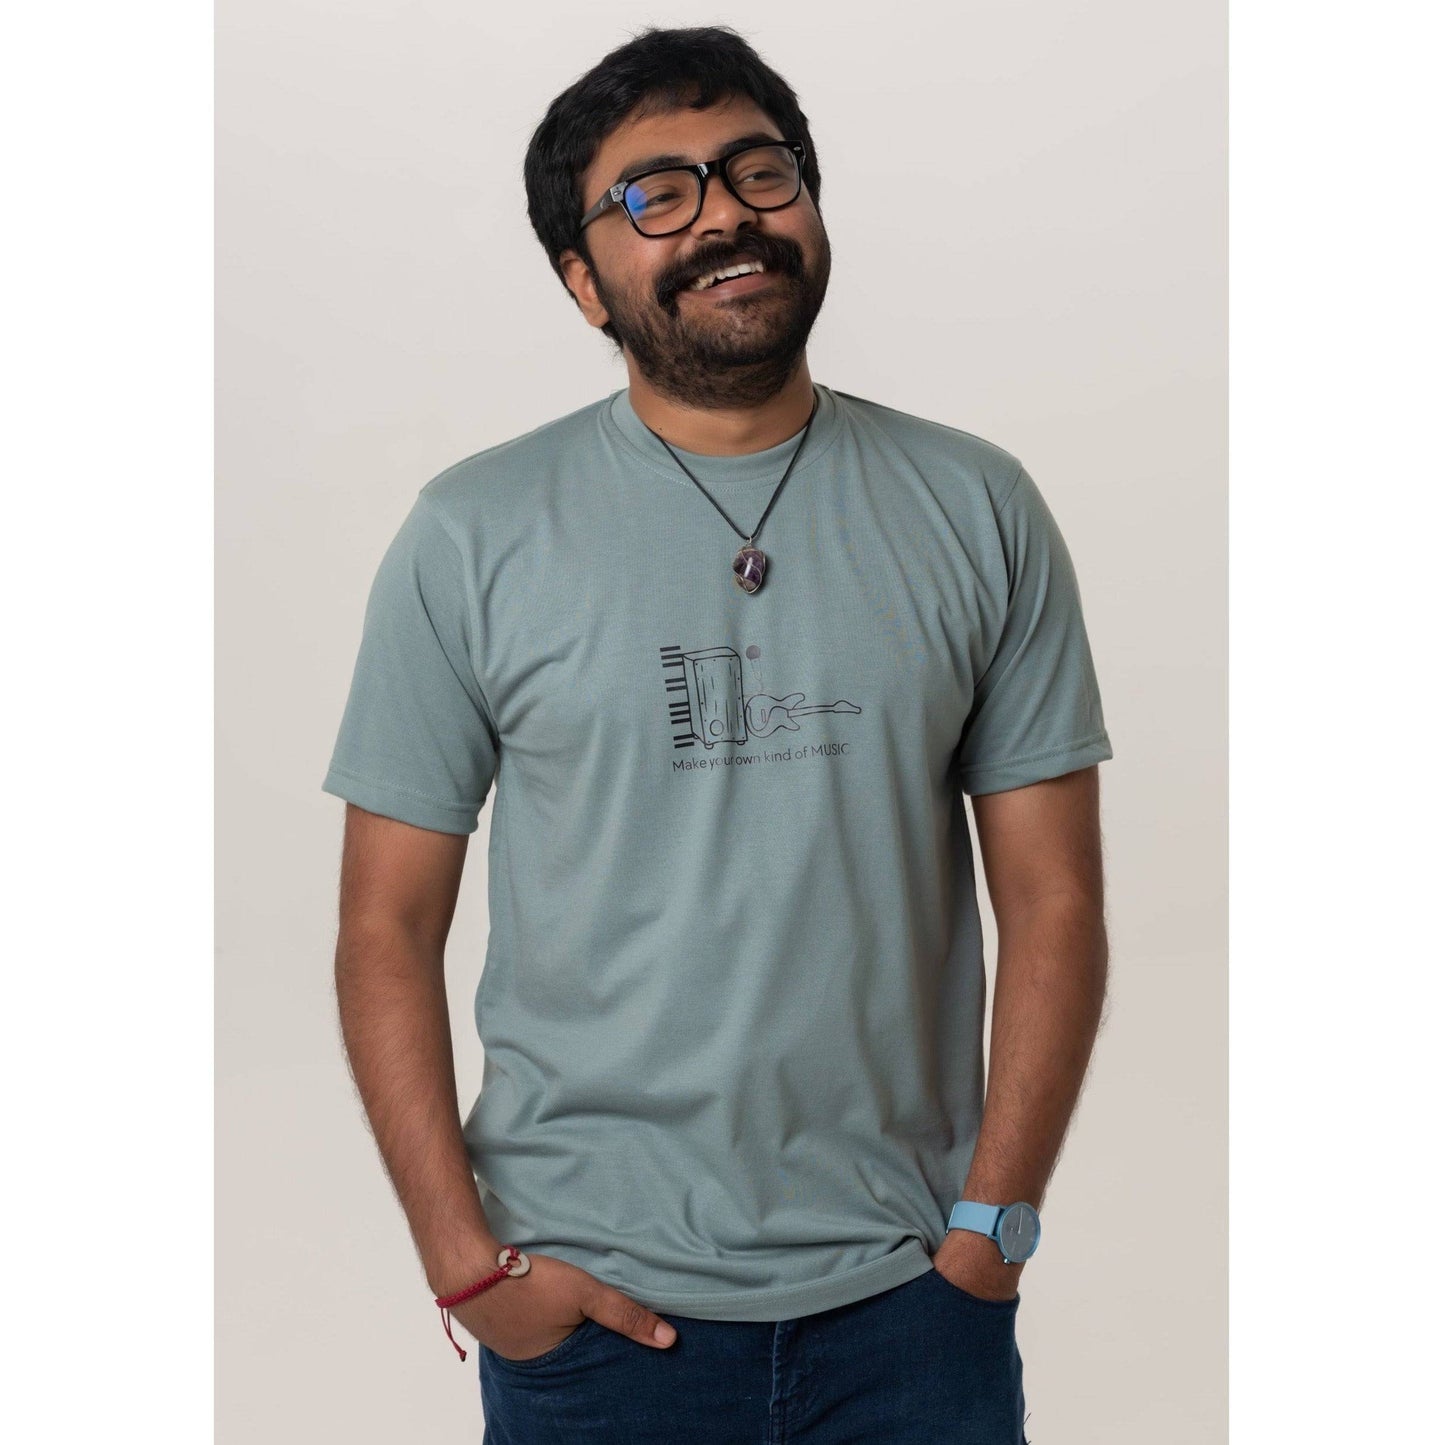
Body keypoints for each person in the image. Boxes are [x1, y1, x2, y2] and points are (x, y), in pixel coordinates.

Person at [322, 24, 1112, 1444]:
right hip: (595, 1314)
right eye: (657, 195)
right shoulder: (471, 535)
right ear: (582, 281)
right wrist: (464, 1262)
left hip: (913, 1311)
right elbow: (385, 924)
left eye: (758, 170)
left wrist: (993, 1227)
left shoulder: (977, 506)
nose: (724, 217)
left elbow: (1053, 895)